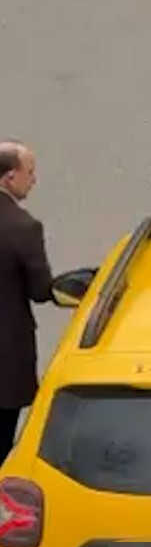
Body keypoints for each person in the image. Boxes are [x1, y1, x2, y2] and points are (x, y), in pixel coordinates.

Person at [0, 141, 54, 463]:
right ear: (9, 177)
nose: (33, 180)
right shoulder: (23, 228)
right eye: (29, 173)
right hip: (5, 361)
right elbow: (41, 290)